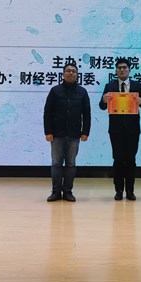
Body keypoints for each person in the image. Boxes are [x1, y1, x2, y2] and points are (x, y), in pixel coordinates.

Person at [99, 58, 141, 201]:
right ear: (116, 71)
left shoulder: (137, 85)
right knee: (118, 159)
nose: (122, 70)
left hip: (133, 130)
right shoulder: (109, 86)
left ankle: (130, 190)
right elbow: (102, 106)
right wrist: (104, 100)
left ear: (129, 70)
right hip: (115, 130)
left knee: (131, 160)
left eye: (124, 67)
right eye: (119, 68)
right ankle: (119, 190)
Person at [44, 62, 91, 203]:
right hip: (56, 134)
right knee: (56, 163)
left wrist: (85, 132)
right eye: (68, 71)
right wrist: (48, 131)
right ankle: (56, 192)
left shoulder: (82, 92)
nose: (71, 73)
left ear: (77, 75)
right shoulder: (55, 91)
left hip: (74, 134)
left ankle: (68, 191)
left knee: (71, 164)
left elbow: (86, 114)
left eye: (73, 71)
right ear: (63, 74)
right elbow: (47, 113)